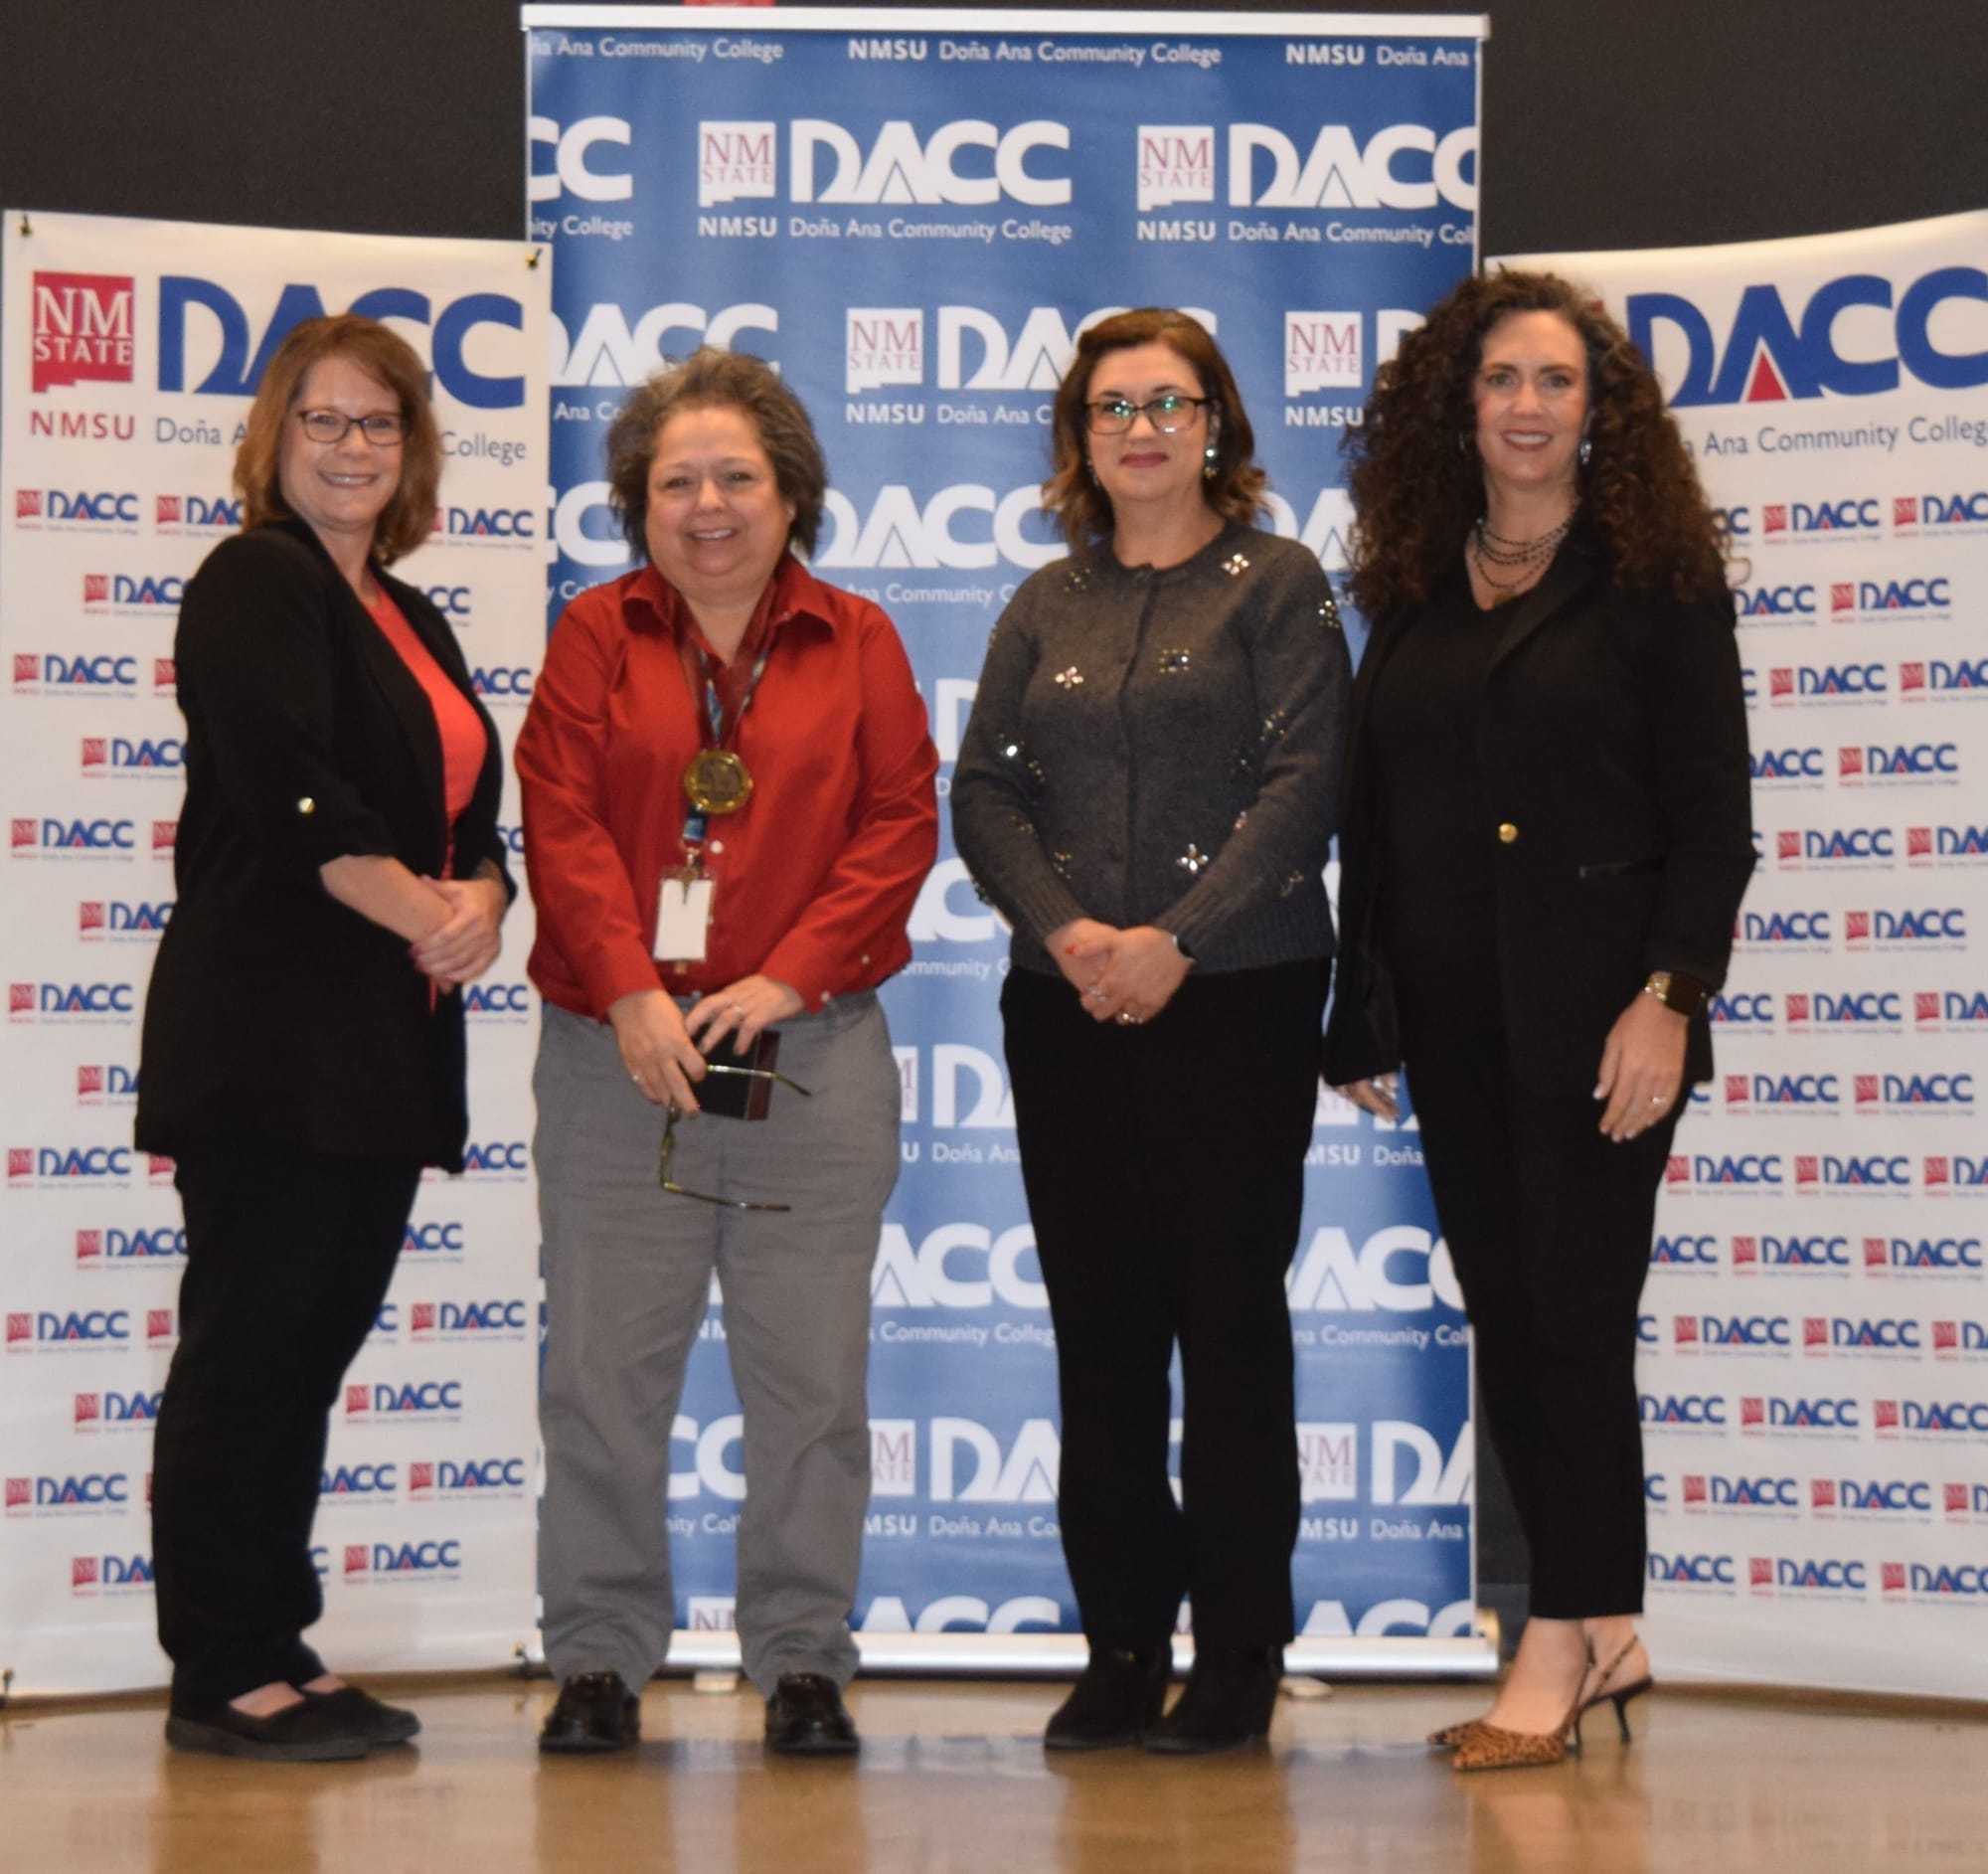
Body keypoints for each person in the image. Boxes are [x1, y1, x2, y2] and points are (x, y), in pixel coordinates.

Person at [1325, 269, 1754, 1771]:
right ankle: (1608, 1627)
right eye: (1500, 378)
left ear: (1599, 412)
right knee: (1515, 1324)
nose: (1525, 405)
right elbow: (1373, 818)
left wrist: (1670, 1000)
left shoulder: (1655, 581)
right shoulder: (1417, 587)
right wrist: (1357, 1007)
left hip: (1602, 1024)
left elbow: (1716, 824)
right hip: (1450, 1022)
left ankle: (1561, 1638)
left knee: (1572, 1324)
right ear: (1463, 404)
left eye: (1556, 381)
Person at [517, 350, 937, 1759]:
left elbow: (900, 825)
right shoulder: (593, 634)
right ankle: (596, 1656)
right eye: (676, 480)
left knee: (811, 1384)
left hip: (806, 1054)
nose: (707, 505)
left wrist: (785, 975)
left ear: (792, 494)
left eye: (737, 478)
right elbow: (561, 817)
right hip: (611, 1059)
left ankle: (804, 1659)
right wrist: (633, 990)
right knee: (602, 1377)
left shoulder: (861, 636)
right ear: (639, 502)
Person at [952, 309, 1350, 1754]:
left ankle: (1238, 1646)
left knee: (1230, 1328)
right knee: (1099, 1337)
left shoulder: (1280, 585)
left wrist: (1176, 939)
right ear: (1079, 434)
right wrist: (1072, 935)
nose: (1142, 429)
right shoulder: (1044, 599)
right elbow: (982, 794)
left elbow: (1306, 785)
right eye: (1114, 405)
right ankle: (1120, 1642)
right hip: (1065, 1011)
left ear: (1218, 427)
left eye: (1171, 403)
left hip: (1234, 1001)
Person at [137, 314, 513, 1761]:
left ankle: (273, 1643)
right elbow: (297, 798)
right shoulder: (255, 581)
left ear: (412, 451)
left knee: (307, 1351)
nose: (353, 447)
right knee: (248, 1349)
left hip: (381, 1046)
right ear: (274, 440)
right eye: (324, 422)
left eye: (380, 425)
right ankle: (219, 1668)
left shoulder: (413, 616)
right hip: (270, 1039)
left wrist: (484, 891)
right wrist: (431, 908)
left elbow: (471, 816)